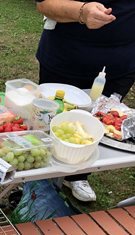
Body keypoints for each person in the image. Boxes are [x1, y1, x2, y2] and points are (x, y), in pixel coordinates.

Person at [35, 0, 135, 201]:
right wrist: (81, 11)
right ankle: (38, 178)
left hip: (121, 65)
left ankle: (78, 175)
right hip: (66, 59)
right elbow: (44, 4)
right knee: (52, 124)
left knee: (96, 125)